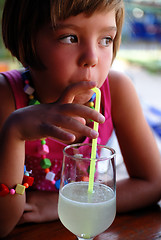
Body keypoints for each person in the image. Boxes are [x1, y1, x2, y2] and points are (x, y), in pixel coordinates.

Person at [0, 0, 161, 238]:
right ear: (26, 41)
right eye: (70, 38)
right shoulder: (6, 98)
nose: (92, 58)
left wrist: (57, 204)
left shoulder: (115, 90)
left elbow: (153, 183)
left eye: (106, 39)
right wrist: (14, 133)